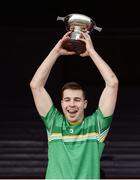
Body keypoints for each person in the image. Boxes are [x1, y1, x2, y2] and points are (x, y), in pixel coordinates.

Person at [30, 31, 119, 179]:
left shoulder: (96, 125)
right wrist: (56, 51)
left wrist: (91, 52)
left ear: (84, 104)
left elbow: (112, 83)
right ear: (62, 103)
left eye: (77, 100)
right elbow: (36, 86)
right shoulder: (54, 123)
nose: (72, 104)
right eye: (67, 100)